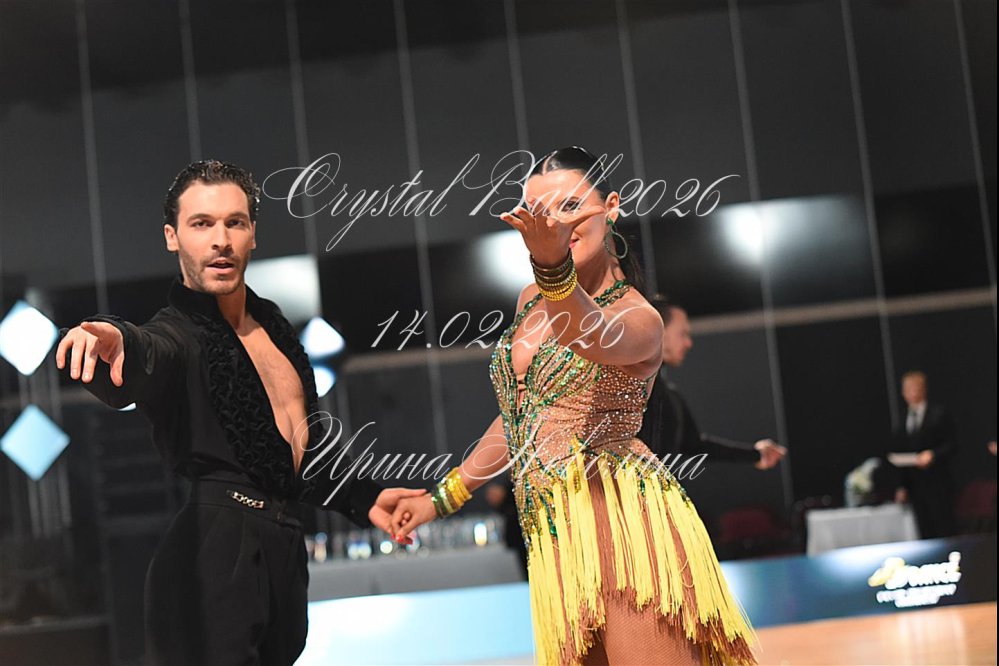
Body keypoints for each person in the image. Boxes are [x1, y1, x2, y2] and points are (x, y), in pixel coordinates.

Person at [389, 147, 757, 665]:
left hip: (624, 526)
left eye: (569, 206)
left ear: (612, 207)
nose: (555, 224)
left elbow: (585, 332)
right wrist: (442, 497)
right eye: (540, 212)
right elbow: (521, 420)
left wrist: (551, 265)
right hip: (554, 534)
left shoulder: (638, 318)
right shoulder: (529, 301)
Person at [55, 160, 424, 665]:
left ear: (253, 233)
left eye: (234, 222)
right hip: (211, 557)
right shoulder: (177, 334)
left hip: (282, 551)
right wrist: (114, 336)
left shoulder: (273, 324)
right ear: (172, 237)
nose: (220, 240)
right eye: (201, 224)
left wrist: (366, 498)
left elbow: (301, 451)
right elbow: (146, 352)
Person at [637, 299, 786, 469]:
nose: (688, 343)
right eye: (683, 334)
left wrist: (756, 454)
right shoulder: (633, 384)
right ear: (659, 330)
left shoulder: (670, 395)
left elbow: (695, 445)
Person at [890, 370, 958, 539]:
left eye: (915, 388)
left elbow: (953, 444)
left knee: (944, 528)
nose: (911, 393)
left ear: (923, 389)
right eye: (907, 389)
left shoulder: (938, 414)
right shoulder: (903, 419)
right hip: (916, 486)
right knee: (924, 530)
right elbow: (901, 450)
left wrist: (933, 455)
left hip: (938, 483)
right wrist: (902, 486)